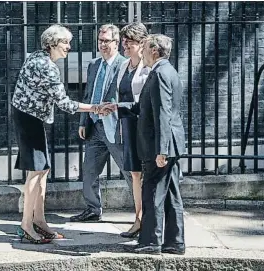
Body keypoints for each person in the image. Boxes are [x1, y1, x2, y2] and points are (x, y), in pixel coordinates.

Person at [12, 24, 106, 244]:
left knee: (42, 169)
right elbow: (64, 103)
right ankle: (27, 225)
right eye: (65, 42)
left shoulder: (37, 57)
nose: (69, 47)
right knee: (36, 172)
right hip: (29, 118)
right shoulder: (47, 66)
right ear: (52, 42)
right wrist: (95, 108)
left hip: (28, 116)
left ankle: (40, 221)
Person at [103, 34, 186, 255]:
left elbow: (163, 114)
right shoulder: (167, 71)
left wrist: (162, 150)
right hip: (171, 144)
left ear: (155, 51)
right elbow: (144, 107)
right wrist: (117, 107)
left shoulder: (159, 74)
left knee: (153, 193)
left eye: (145, 47)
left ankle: (151, 242)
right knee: (171, 195)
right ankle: (175, 243)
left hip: (159, 147)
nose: (142, 51)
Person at [69, 24, 133, 222]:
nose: (103, 45)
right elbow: (88, 95)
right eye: (100, 41)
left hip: (115, 127)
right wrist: (83, 121)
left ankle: (143, 210)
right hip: (94, 126)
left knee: (130, 171)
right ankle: (92, 209)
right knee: (89, 171)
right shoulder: (94, 65)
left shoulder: (125, 64)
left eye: (107, 41)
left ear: (116, 43)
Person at [116, 22, 150, 238]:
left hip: (143, 126)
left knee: (147, 174)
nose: (125, 45)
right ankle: (138, 218)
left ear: (142, 43)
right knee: (135, 173)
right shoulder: (123, 65)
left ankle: (148, 218)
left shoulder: (148, 68)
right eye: (124, 41)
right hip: (128, 125)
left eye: (130, 41)